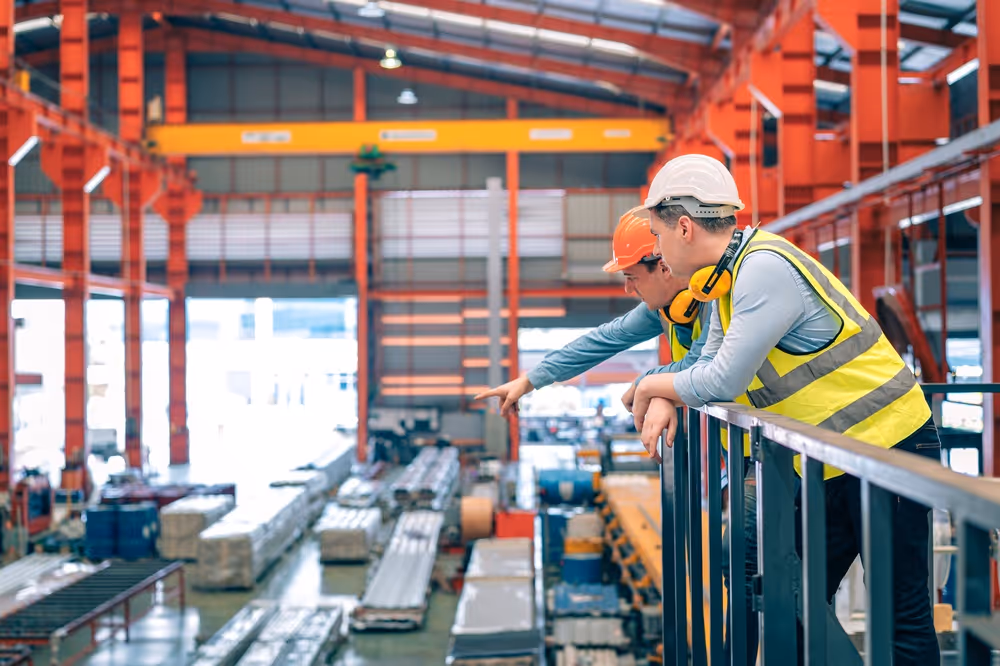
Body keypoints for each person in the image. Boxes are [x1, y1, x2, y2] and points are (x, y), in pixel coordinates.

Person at [628, 153, 941, 666]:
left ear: (683, 227)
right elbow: (702, 365)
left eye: (658, 238)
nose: (658, 254)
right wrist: (660, 388)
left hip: (890, 450)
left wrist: (649, 390)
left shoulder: (763, 269)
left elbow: (722, 379)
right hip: (831, 461)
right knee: (789, 603)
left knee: (898, 617)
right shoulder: (723, 285)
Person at [474, 212, 708, 416]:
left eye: (632, 278)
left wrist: (646, 384)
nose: (628, 290)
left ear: (663, 267)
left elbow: (698, 367)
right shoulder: (665, 309)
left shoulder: (715, 299)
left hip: (744, 442)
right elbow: (602, 340)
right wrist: (529, 381)